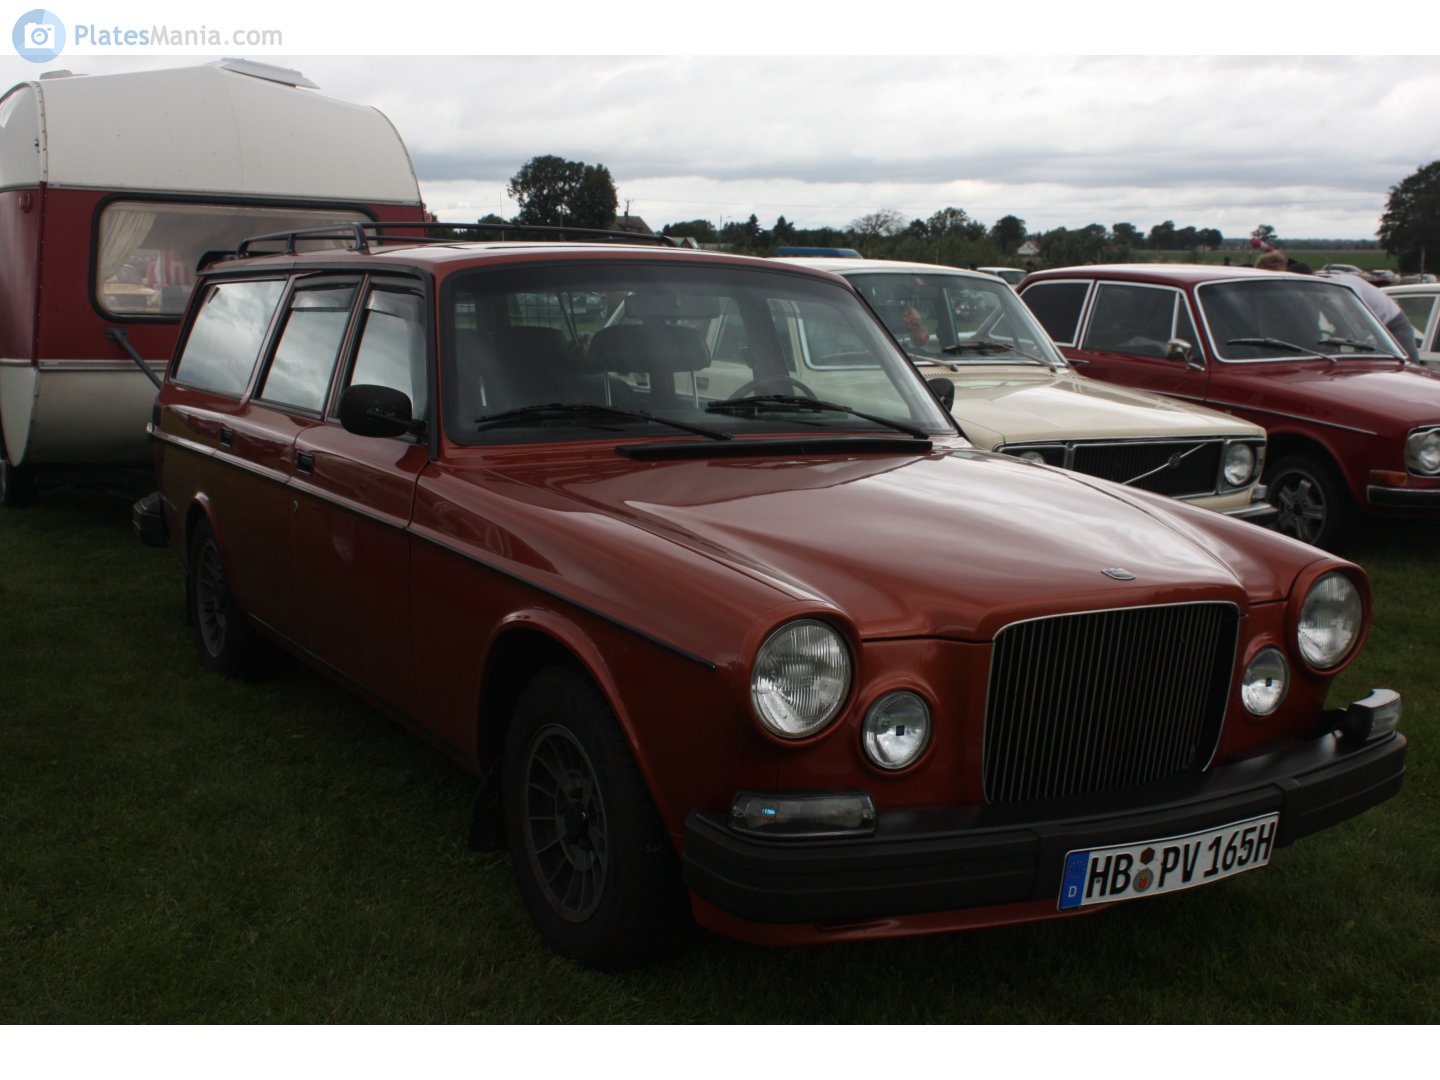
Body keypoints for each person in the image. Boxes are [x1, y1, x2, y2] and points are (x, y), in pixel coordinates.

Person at [1254, 250, 1419, 362]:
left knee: (1407, 366)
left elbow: (1353, 329)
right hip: (1374, 329)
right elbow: (1337, 326)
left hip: (1393, 325)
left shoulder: (1339, 289)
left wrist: (1331, 344)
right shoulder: (1322, 294)